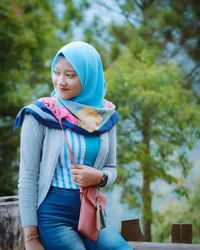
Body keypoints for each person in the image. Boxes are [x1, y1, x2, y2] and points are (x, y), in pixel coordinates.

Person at [15, 41, 133, 250]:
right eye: (56, 72)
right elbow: (27, 178)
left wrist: (99, 177)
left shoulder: (104, 116)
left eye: (70, 75)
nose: (60, 81)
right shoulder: (40, 114)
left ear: (89, 77)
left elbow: (112, 169)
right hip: (53, 215)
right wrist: (31, 238)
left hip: (91, 212)